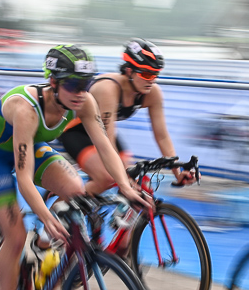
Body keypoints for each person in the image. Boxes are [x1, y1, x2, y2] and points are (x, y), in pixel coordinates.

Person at [0, 44, 151, 290]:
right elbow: (24, 179)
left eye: (86, 84)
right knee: (15, 235)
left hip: (31, 148)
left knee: (77, 191)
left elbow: (105, 146)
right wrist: (43, 215)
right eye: (73, 85)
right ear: (53, 82)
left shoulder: (84, 100)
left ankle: (41, 250)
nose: (81, 93)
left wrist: (124, 184)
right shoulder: (25, 109)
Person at [57, 38, 195, 194]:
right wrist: (124, 180)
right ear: (129, 71)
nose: (152, 80)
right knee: (108, 178)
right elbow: (106, 141)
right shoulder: (108, 89)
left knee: (134, 175)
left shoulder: (152, 93)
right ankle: (61, 209)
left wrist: (177, 172)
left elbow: (162, 136)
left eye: (155, 75)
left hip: (100, 131)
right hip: (74, 131)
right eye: (147, 74)